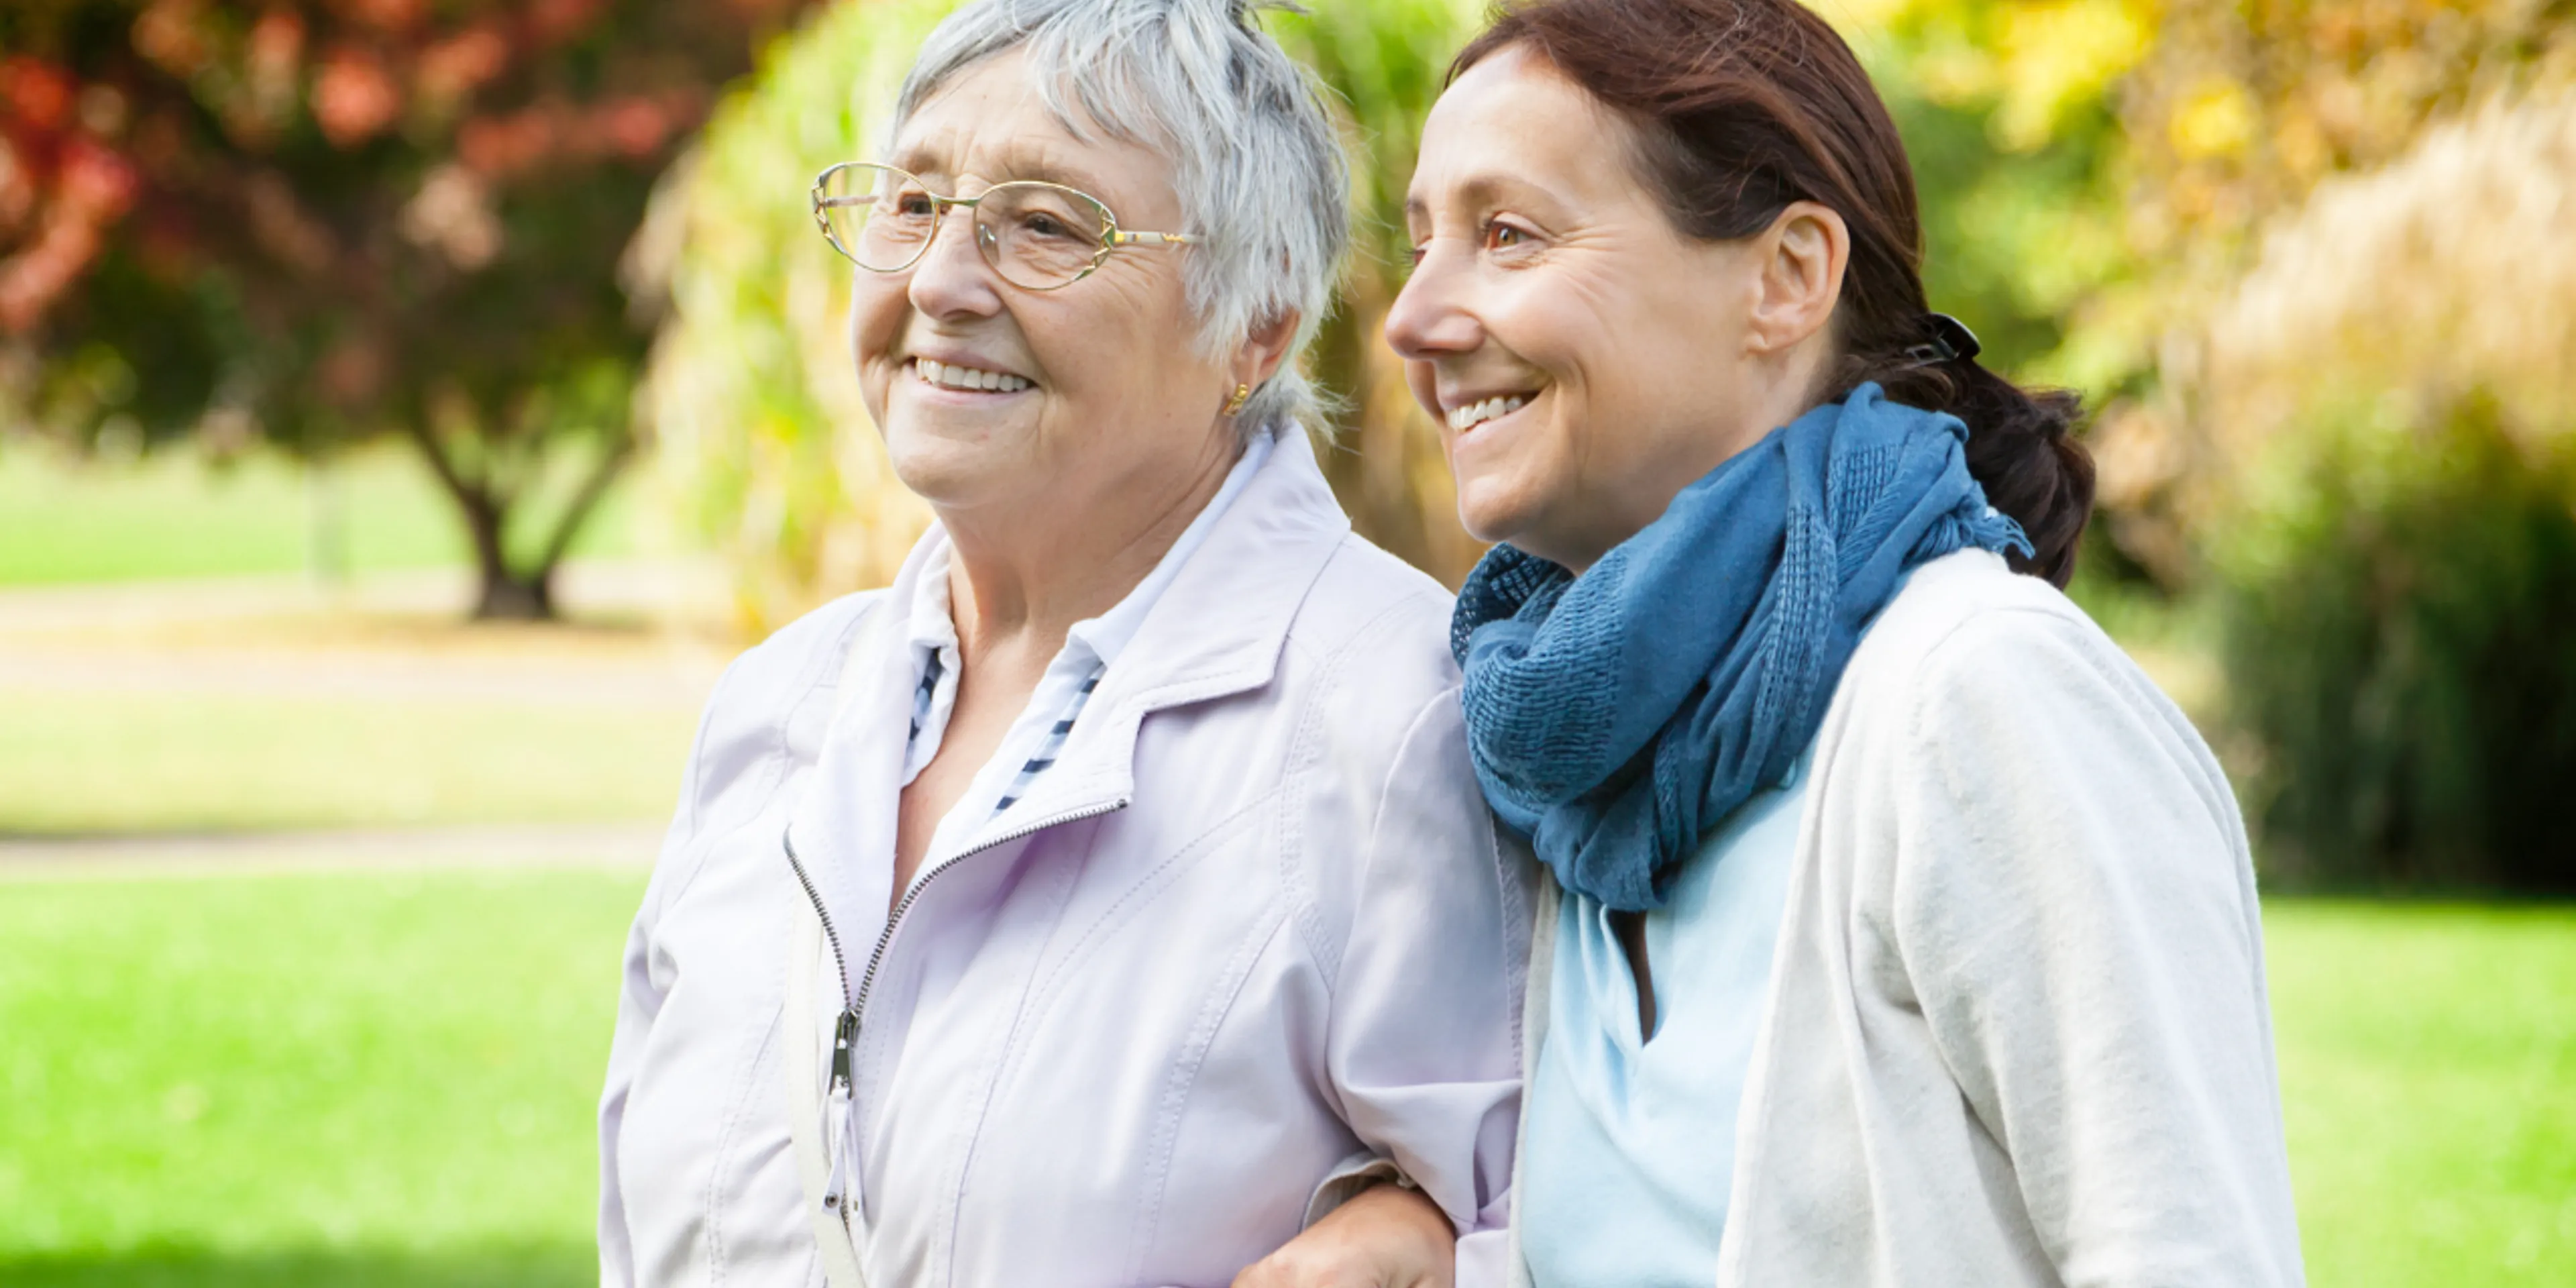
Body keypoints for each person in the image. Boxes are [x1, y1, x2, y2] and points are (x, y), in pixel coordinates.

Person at [597, 3, 1529, 1285]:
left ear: (1254, 329)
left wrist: (1430, 1244)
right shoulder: (778, 706)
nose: (937, 283)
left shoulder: (1399, 718)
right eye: (913, 204)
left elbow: (1556, 1222)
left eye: (1047, 225)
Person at [1385, 1, 2308, 1284]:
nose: (1412, 319)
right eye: (1420, 241)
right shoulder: (1574, 753)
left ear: (1786, 278)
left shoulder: (1980, 698)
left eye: (1506, 236)